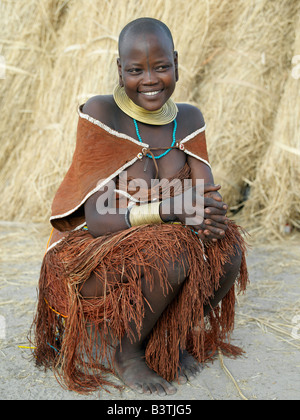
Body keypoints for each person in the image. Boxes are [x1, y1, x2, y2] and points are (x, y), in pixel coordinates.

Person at [31, 17, 248, 396]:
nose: (149, 79)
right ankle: (127, 353)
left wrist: (211, 217)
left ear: (176, 63)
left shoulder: (189, 119)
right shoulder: (102, 113)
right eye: (135, 70)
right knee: (171, 254)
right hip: (94, 251)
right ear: (120, 70)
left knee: (228, 249)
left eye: (161, 67)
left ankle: (168, 335)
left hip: (159, 241)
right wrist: (172, 210)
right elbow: (97, 219)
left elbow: (204, 195)